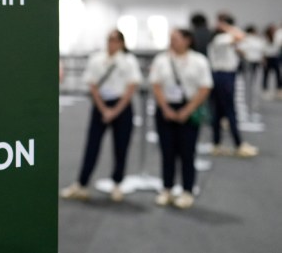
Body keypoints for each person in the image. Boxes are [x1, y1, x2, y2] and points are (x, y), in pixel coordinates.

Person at [60, 30, 139, 202]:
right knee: (92, 145)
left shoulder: (128, 61)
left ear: (122, 43)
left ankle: (117, 183)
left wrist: (115, 111)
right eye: (109, 40)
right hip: (101, 105)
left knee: (121, 147)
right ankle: (82, 183)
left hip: (121, 107)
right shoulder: (97, 59)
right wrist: (103, 109)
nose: (111, 43)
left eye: (115, 40)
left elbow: (131, 87)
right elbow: (92, 84)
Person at [149, 29, 212, 209]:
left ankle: (187, 190)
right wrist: (165, 108)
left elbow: (205, 87)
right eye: (170, 39)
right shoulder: (161, 60)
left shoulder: (199, 60)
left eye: (175, 39)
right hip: (166, 108)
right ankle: (167, 188)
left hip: (190, 107)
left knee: (187, 152)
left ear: (187, 40)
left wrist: (187, 110)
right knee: (167, 151)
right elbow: (156, 84)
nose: (172, 42)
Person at [207, 13, 258, 157]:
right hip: (223, 76)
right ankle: (238, 144)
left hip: (222, 76)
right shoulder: (221, 38)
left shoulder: (222, 40)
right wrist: (227, 27)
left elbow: (240, 45)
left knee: (218, 112)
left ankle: (216, 143)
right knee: (229, 111)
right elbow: (241, 36)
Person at [263, 24, 281, 99]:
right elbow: (263, 49)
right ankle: (265, 90)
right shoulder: (265, 38)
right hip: (268, 57)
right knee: (266, 75)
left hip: (275, 57)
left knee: (278, 74)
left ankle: (279, 90)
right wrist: (263, 59)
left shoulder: (277, 37)